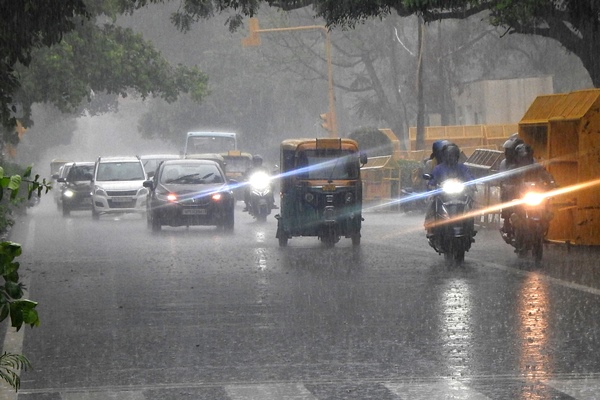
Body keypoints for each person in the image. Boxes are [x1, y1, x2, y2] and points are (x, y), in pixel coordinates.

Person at [499, 142, 555, 243]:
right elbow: (507, 179)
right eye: (522, 157)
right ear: (518, 157)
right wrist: (508, 185)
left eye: (527, 157)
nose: (525, 160)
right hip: (519, 195)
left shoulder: (536, 165)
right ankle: (509, 224)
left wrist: (552, 183)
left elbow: (545, 174)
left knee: (546, 203)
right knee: (510, 203)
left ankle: (543, 224)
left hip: (533, 193)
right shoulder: (513, 167)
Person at [424, 143, 475, 235]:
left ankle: (470, 227)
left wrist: (472, 183)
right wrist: (431, 185)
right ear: (444, 156)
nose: (451, 157)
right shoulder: (438, 168)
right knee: (431, 202)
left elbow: (469, 176)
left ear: (457, 156)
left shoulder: (462, 167)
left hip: (460, 193)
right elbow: (433, 179)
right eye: (449, 155)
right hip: (443, 193)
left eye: (453, 155)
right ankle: (430, 226)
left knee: (470, 203)